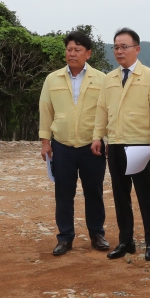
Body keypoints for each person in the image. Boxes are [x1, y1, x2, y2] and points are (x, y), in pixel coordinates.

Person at [93, 28, 150, 261]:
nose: (119, 51)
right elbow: (102, 110)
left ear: (137, 49)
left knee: (145, 193)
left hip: (140, 144)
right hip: (115, 142)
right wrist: (98, 136)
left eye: (124, 46)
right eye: (116, 47)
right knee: (120, 193)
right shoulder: (109, 78)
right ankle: (126, 240)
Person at [39, 29, 109, 256]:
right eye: (69, 49)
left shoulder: (102, 79)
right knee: (63, 193)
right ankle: (65, 237)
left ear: (88, 53)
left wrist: (101, 136)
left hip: (92, 144)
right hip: (62, 144)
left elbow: (108, 110)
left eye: (77, 50)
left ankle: (97, 235)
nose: (72, 53)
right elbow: (46, 111)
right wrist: (45, 142)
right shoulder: (53, 79)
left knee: (94, 191)